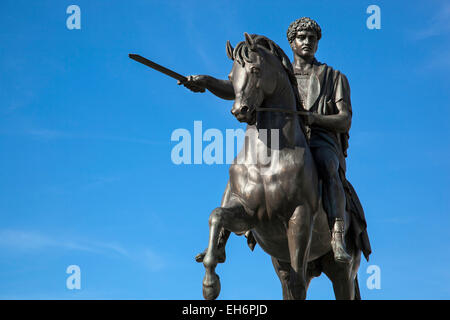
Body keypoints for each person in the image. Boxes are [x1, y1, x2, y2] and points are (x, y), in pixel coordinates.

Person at [180, 17, 368, 263]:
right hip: (278, 140)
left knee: (327, 165)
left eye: (312, 38)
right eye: (301, 37)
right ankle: (219, 240)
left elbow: (344, 120)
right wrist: (205, 82)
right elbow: (239, 88)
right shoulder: (276, 70)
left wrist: (315, 119)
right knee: (241, 169)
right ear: (291, 42)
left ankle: (336, 235)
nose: (307, 42)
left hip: (319, 140)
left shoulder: (334, 77)